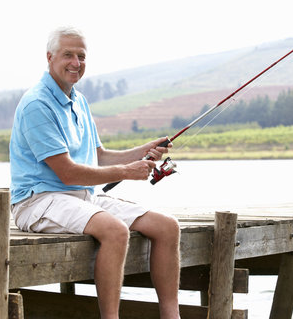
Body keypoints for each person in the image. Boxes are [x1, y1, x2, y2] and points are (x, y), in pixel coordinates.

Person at [9, 26, 181, 319]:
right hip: (37, 201)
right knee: (114, 231)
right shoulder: (37, 103)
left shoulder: (79, 100)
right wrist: (127, 171)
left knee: (167, 227)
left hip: (79, 197)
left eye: (81, 56)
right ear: (49, 57)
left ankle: (171, 315)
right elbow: (67, 173)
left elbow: (98, 156)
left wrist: (142, 151)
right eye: (68, 55)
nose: (76, 62)